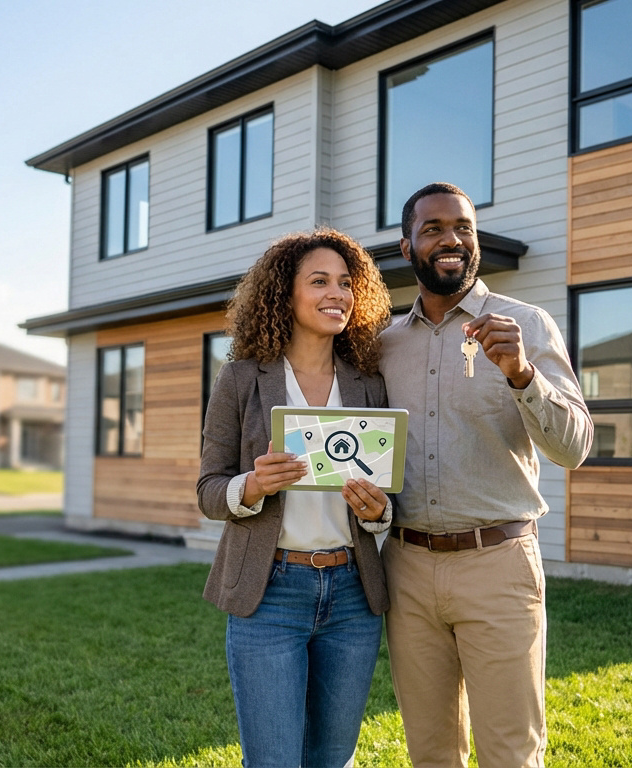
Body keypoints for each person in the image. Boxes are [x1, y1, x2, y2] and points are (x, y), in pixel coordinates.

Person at [379, 182, 593, 768]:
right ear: (407, 248)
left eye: (463, 227)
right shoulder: (384, 346)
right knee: (430, 752)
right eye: (433, 228)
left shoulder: (525, 324)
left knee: (511, 754)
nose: (451, 239)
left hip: (498, 566)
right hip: (407, 569)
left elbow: (574, 448)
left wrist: (523, 374)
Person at [197, 228, 395, 768]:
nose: (337, 293)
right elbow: (209, 490)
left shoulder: (369, 383)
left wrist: (380, 515)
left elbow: (390, 492)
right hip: (270, 593)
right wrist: (252, 485)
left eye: (346, 283)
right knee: (274, 760)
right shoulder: (241, 379)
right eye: (319, 281)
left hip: (354, 594)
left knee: (333, 759)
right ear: (285, 294)